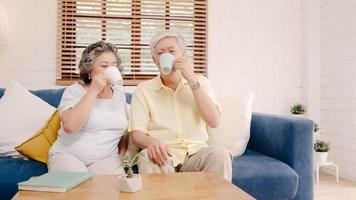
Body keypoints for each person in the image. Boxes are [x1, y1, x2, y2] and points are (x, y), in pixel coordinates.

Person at [129, 31, 232, 181]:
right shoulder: (143, 90)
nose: (166, 55)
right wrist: (154, 143)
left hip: (196, 152)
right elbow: (137, 134)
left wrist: (191, 78)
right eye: (160, 53)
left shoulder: (200, 82)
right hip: (164, 153)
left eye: (172, 51)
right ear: (155, 60)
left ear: (183, 55)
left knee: (220, 154)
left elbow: (214, 121)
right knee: (148, 157)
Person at [48, 41, 128, 175]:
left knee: (113, 190)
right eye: (104, 66)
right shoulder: (74, 91)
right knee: (78, 188)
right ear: (89, 69)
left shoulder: (120, 94)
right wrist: (93, 90)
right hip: (68, 156)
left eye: (114, 65)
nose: (110, 69)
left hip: (106, 160)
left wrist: (121, 158)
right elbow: (70, 126)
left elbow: (124, 132)